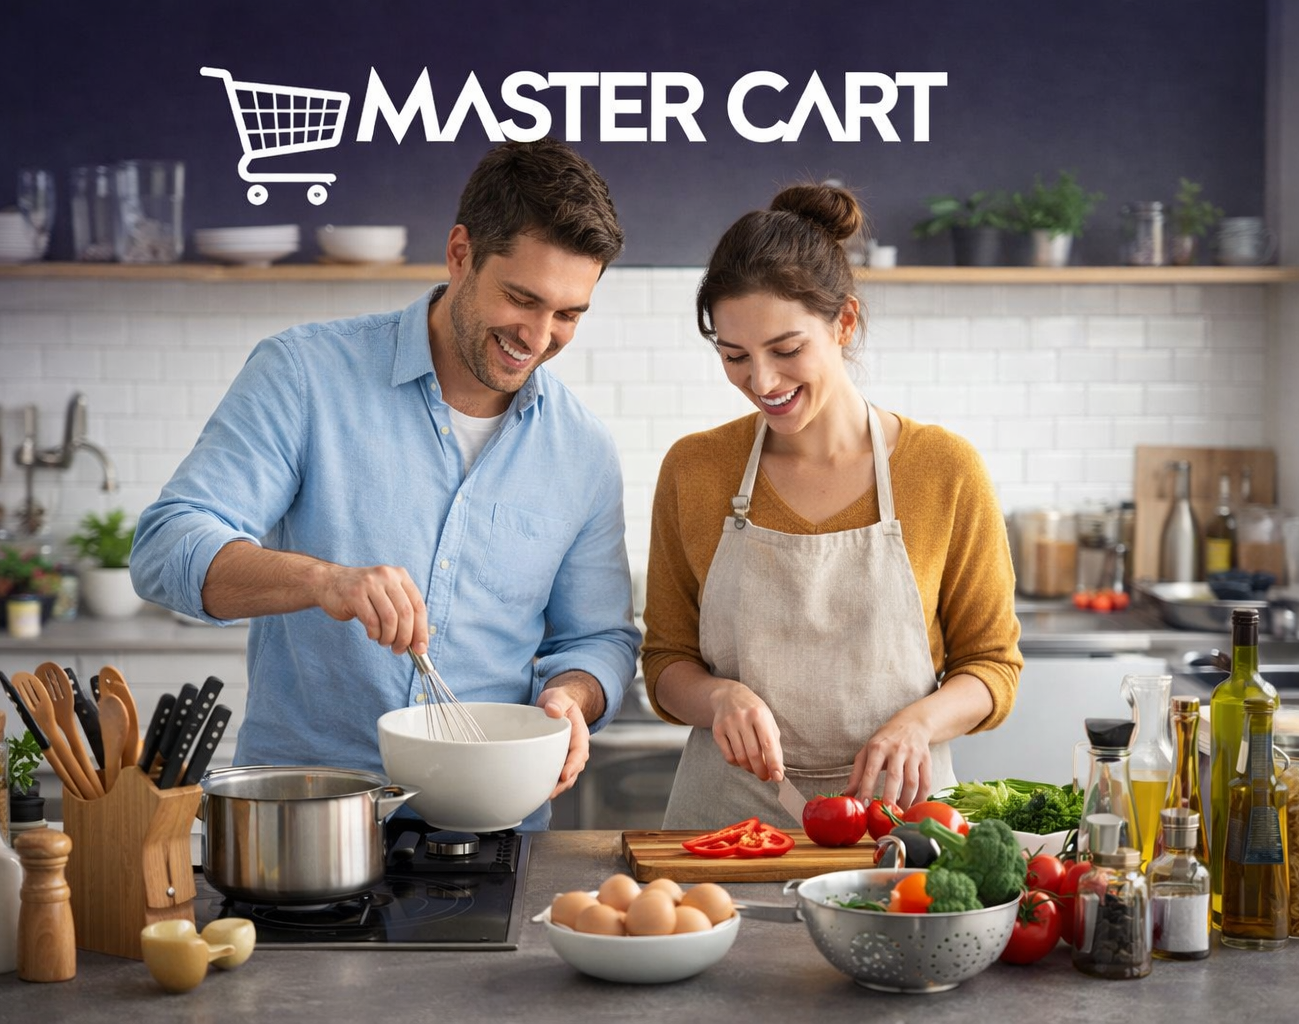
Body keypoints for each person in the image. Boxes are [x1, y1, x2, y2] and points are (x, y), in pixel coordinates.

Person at [131, 139, 641, 830]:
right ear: (460, 253)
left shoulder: (581, 451)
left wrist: (571, 699)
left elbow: (599, 638)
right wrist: (323, 582)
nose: (540, 336)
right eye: (522, 298)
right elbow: (166, 548)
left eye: (570, 314)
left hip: (489, 831)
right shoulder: (304, 374)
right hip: (306, 816)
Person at [643, 183, 1022, 828]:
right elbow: (665, 661)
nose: (761, 382)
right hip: (726, 822)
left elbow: (992, 667)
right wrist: (718, 698)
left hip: (902, 824)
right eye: (735, 357)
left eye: (787, 351)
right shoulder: (696, 469)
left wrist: (919, 722)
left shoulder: (943, 470)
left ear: (844, 323)